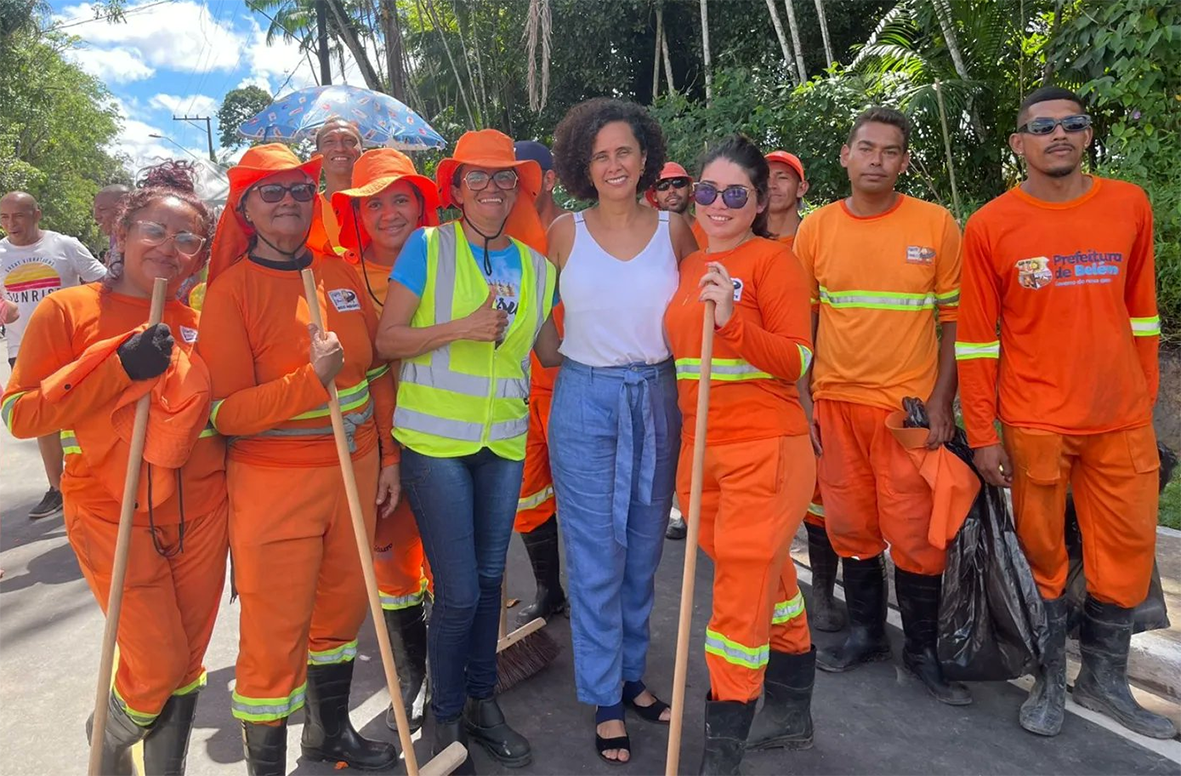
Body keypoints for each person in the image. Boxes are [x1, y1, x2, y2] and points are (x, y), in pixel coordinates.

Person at [957, 86, 1174, 740]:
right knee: (1043, 555)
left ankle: (1103, 681)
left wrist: (1140, 398)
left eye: (1070, 124)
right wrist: (981, 435)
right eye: (1040, 126)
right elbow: (973, 339)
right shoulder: (992, 224)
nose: (1057, 134)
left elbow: (1142, 312)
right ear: (1018, 144)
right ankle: (1049, 678)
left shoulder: (1127, 206)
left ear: (1085, 135)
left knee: (1126, 556)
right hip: (1034, 423)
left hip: (1118, 422)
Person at [1, 161, 227, 775]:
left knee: (187, 660)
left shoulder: (201, 326)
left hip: (203, 511)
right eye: (155, 231)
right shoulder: (68, 311)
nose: (170, 249)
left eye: (187, 240)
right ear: (121, 234)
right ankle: (107, 733)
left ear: (199, 257)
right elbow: (21, 415)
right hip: (109, 510)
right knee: (154, 663)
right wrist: (119, 369)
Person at [199, 144, 401, 774]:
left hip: (358, 468)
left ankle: (329, 735)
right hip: (276, 486)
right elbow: (224, 414)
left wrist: (389, 456)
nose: (288, 201)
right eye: (272, 192)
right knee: (273, 633)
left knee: (342, 610)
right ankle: (266, 766)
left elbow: (372, 373)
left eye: (298, 189)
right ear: (246, 209)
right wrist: (310, 382)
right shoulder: (229, 292)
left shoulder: (337, 274)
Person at [376, 129, 556, 774]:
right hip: (433, 446)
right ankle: (443, 719)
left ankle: (484, 704)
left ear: (518, 188)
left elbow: (554, 354)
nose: (490, 187)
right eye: (476, 177)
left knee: (487, 582)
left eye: (502, 177)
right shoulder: (427, 247)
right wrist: (461, 328)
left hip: (502, 444)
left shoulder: (539, 269)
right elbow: (386, 341)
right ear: (454, 190)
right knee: (456, 593)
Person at [795, 107, 969, 705]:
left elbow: (953, 322)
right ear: (845, 156)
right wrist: (805, 401)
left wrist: (944, 401)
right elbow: (804, 324)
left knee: (918, 532)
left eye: (890, 151)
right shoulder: (815, 230)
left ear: (903, 161)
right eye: (865, 148)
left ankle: (921, 651)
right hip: (836, 405)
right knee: (850, 527)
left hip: (908, 414)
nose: (876, 160)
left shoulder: (937, 224)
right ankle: (868, 633)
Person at [548, 98, 696, 764]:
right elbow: (527, 304)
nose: (613, 164)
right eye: (600, 154)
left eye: (624, 152)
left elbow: (698, 310)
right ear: (584, 163)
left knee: (642, 551)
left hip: (655, 396)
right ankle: (605, 696)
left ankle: (632, 676)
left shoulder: (675, 230)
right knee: (593, 553)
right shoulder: (562, 232)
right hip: (584, 399)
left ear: (645, 159)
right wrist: (556, 350)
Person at [665, 135, 816, 774]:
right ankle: (792, 708)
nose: (717, 203)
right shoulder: (688, 262)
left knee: (735, 599)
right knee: (762, 578)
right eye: (707, 190)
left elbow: (797, 360)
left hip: (767, 450)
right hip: (700, 449)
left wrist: (732, 321)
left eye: (735, 194)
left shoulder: (774, 263)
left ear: (758, 203)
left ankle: (720, 748)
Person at [331, 147, 440, 734]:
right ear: (358, 214)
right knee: (394, 563)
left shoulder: (454, 258)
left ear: (421, 205)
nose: (390, 213)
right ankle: (414, 675)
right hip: (382, 442)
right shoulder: (340, 275)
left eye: (401, 199)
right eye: (375, 203)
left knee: (454, 560)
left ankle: (452, 681)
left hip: (451, 432)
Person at [764, 150, 844, 632]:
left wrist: (809, 388)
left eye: (783, 178)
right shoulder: (741, 237)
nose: (774, 186)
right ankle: (771, 584)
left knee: (819, 495)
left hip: (811, 379)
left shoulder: (816, 239)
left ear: (802, 187)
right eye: (766, 178)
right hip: (758, 383)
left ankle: (824, 594)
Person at [0, 190, 107, 520]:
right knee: (42, 419)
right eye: (4, 217)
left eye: (18, 215)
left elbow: (105, 283)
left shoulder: (64, 245)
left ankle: (97, 481)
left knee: (87, 415)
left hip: (73, 347)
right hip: (25, 349)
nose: (11, 223)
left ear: (37, 214)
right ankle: (56, 488)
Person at [508, 140, 571, 627]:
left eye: (523, 177)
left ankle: (600, 598)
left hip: (568, 384)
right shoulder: (498, 237)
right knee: (527, 497)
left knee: (582, 495)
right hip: (516, 388)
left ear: (548, 180)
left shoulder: (575, 233)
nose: (512, 188)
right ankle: (550, 590)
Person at [308, 117, 364, 254]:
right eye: (329, 141)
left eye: (349, 141)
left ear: (363, 153)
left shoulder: (381, 206)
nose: (340, 148)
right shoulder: (307, 211)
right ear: (316, 157)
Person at [94, 183, 131, 264]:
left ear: (124, 209)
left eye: (102, 209)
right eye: (95, 210)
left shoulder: (135, 243)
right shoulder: (115, 238)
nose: (96, 216)